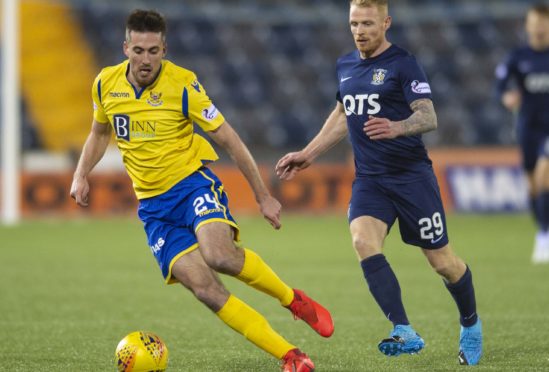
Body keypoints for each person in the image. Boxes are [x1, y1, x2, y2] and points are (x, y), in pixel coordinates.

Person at [70, 9, 333, 372]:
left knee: (219, 255)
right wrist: (81, 174)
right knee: (206, 289)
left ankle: (294, 300)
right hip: (154, 209)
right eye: (139, 50)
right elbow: (99, 133)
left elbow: (230, 140)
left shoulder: (183, 85)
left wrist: (262, 196)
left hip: (191, 186)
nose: (145, 59)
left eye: (153, 51)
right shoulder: (104, 83)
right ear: (125, 48)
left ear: (164, 49)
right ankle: (291, 356)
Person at [276, 0, 482, 366]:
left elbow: (428, 115)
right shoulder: (345, 65)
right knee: (362, 240)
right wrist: (309, 153)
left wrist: (397, 127)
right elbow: (343, 113)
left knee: (443, 263)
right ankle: (404, 330)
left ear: (386, 23)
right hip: (371, 180)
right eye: (354, 23)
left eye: (368, 23)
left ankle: (470, 323)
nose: (359, 31)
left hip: (411, 178)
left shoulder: (403, 63)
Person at [495, 3, 549, 264]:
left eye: (543, 22)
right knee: (533, 186)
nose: (539, 27)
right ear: (528, 26)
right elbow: (501, 84)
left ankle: (545, 235)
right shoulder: (518, 56)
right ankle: (542, 230)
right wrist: (507, 96)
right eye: (535, 22)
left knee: (544, 173)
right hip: (528, 127)